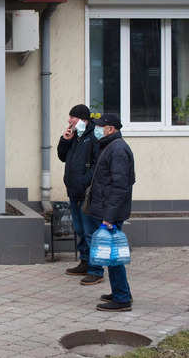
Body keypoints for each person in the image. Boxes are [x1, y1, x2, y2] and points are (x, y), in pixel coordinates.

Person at [83, 113, 135, 312]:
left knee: (113, 257)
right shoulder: (111, 146)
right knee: (112, 256)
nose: (97, 129)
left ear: (110, 129)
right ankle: (122, 292)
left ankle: (122, 299)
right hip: (108, 211)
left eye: (100, 126)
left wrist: (110, 217)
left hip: (111, 213)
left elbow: (120, 186)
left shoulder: (118, 149)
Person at [56, 104, 101, 282]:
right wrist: (65, 139)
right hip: (73, 192)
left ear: (83, 119)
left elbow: (97, 165)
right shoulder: (75, 135)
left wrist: (84, 182)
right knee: (80, 230)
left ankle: (96, 270)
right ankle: (84, 262)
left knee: (90, 231)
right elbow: (62, 156)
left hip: (87, 193)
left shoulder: (94, 136)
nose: (69, 120)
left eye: (72, 117)